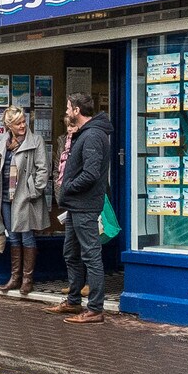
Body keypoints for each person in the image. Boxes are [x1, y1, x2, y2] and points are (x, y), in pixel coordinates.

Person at [54, 92, 112, 324]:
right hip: (76, 205)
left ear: (77, 110)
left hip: (85, 205)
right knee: (71, 253)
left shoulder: (92, 136)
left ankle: (95, 309)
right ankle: (73, 301)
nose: (67, 112)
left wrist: (68, 187)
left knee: (90, 255)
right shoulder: (84, 134)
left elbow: (90, 173)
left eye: (69, 108)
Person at [0, 106, 48, 298]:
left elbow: (43, 170)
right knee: (13, 237)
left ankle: (27, 280)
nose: (23, 125)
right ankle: (14, 278)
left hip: (25, 197)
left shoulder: (35, 141)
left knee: (27, 237)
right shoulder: (3, 143)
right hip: (6, 197)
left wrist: (33, 191)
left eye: (24, 121)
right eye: (18, 123)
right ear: (9, 126)